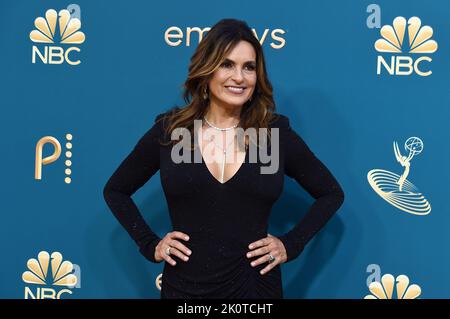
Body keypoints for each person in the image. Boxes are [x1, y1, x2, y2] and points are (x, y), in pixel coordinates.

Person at [103, 18, 344, 299]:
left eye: (249, 67)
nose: (239, 77)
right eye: (227, 64)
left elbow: (330, 194)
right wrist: (150, 244)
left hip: (255, 290)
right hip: (184, 291)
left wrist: (290, 244)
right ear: (207, 70)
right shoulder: (174, 132)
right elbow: (116, 190)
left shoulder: (273, 135)